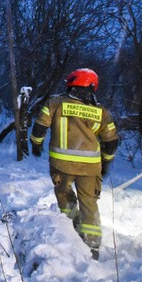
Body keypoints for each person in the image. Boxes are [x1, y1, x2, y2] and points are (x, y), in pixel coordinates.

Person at [30, 68, 119, 260]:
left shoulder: (55, 103)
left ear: (71, 83)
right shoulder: (101, 112)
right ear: (93, 86)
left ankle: (70, 229)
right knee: (89, 203)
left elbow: (39, 127)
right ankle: (92, 245)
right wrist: (106, 163)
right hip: (90, 168)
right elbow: (111, 142)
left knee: (64, 195)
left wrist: (36, 144)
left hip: (61, 165)